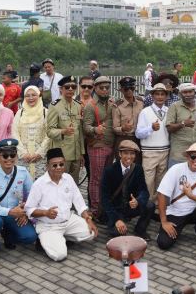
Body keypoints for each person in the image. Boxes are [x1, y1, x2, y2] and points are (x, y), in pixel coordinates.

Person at [26, 148, 98, 261]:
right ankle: (45, 240)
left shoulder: (68, 178)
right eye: (54, 165)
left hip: (68, 221)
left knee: (92, 233)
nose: (58, 167)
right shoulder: (39, 184)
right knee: (59, 255)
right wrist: (45, 212)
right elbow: (29, 209)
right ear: (47, 166)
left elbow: (79, 201)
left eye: (61, 164)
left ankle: (61, 238)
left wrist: (88, 219)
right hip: (49, 226)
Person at [0, 139, 38, 263]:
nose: (9, 159)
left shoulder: (23, 172)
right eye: (5, 155)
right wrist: (9, 212)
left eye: (12, 155)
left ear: (16, 156)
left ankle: (8, 234)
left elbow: (33, 195)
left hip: (16, 213)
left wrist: (25, 211)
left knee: (30, 237)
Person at [156, 142, 196, 250]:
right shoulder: (176, 169)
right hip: (176, 211)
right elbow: (161, 194)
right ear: (187, 156)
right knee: (163, 244)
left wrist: (190, 196)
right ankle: (164, 229)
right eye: (193, 156)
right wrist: (164, 221)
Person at [100, 141, 151, 239]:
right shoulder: (109, 170)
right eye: (126, 153)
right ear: (120, 154)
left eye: (132, 153)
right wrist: (116, 219)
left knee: (150, 205)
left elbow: (144, 191)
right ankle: (116, 221)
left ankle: (140, 230)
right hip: (115, 209)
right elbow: (104, 199)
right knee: (118, 233)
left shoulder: (138, 169)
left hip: (129, 206)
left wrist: (138, 201)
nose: (129, 156)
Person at [83, 76, 117, 217]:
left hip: (110, 145)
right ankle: (96, 210)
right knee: (96, 179)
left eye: (107, 88)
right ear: (95, 88)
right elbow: (85, 127)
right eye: (101, 88)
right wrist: (95, 130)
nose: (104, 90)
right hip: (97, 145)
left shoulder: (111, 102)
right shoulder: (91, 105)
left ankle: (104, 206)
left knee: (106, 179)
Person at [45, 76, 85, 182]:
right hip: (61, 153)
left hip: (76, 153)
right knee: (59, 182)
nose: (70, 89)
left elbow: (79, 131)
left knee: (73, 183)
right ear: (61, 89)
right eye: (67, 87)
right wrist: (63, 131)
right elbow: (49, 131)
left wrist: (81, 153)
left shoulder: (78, 105)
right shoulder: (55, 106)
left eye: (73, 87)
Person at [136, 83, 170, 200]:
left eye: (162, 94)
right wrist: (150, 128)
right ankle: (146, 207)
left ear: (166, 96)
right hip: (149, 152)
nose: (160, 97)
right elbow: (138, 133)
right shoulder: (145, 112)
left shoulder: (169, 110)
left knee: (161, 182)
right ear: (152, 96)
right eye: (157, 94)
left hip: (165, 151)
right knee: (148, 182)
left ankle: (156, 207)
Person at [165, 82, 196, 166]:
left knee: (194, 178)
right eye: (185, 92)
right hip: (179, 154)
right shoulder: (174, 107)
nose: (188, 94)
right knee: (176, 178)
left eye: (190, 92)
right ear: (180, 94)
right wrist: (183, 123)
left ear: (194, 93)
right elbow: (169, 128)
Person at [12, 85, 49, 182]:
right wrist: (23, 153)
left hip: (40, 158)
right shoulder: (19, 113)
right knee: (23, 186)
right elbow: (14, 133)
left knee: (41, 186)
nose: (31, 98)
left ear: (39, 96)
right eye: (27, 95)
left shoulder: (46, 112)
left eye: (34, 95)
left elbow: (49, 135)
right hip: (23, 158)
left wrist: (40, 153)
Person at [112, 77, 144, 155]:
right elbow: (115, 128)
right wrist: (123, 128)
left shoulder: (141, 102)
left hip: (138, 139)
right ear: (122, 90)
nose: (129, 90)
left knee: (137, 165)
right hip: (124, 139)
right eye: (126, 89)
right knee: (123, 165)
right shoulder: (117, 105)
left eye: (131, 88)